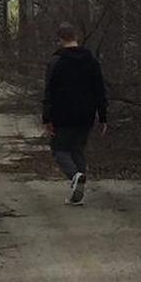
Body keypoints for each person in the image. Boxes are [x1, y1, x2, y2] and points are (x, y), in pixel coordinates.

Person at [41, 22, 108, 205]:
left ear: (60, 39)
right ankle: (78, 191)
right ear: (76, 38)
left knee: (59, 150)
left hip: (63, 113)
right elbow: (100, 89)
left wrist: (47, 118)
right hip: (86, 113)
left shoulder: (56, 61)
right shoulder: (91, 60)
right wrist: (102, 116)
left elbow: (50, 91)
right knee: (77, 149)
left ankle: (75, 176)